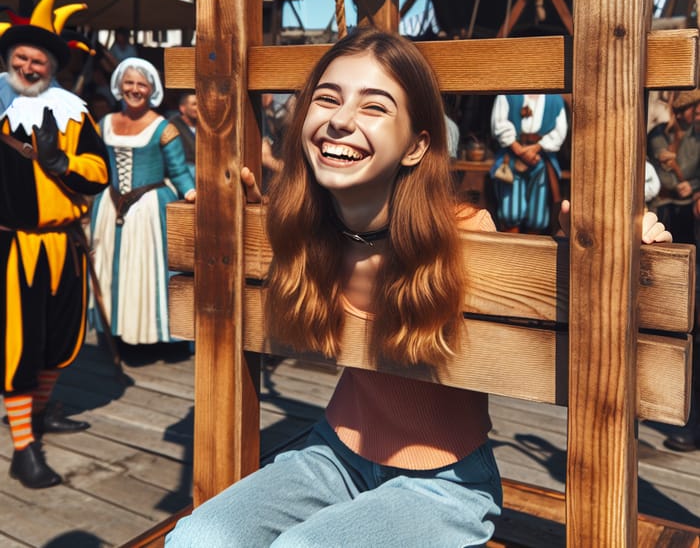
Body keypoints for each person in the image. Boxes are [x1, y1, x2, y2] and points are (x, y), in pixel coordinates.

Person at [165, 27, 672, 547]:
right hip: (334, 452)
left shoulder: (467, 235)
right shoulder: (299, 227)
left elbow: (550, 322)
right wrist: (241, 220)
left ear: (415, 146)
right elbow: (255, 248)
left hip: (445, 483)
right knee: (195, 539)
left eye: (374, 107)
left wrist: (601, 259)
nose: (340, 119)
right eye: (328, 98)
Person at [0, 0, 110, 489]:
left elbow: (99, 170)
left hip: (64, 245)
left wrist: (62, 160)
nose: (28, 67)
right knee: (19, 348)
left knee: (60, 342)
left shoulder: (72, 113)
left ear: (52, 66)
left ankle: (35, 417)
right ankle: (25, 450)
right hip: (13, 246)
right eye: (21, 58)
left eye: (38, 61)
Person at [89, 58, 195, 347]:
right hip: (109, 206)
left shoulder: (163, 127)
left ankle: (151, 335)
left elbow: (178, 171)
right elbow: (96, 166)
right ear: (119, 85)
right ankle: (116, 329)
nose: (134, 89)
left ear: (151, 90)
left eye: (141, 84)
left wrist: (190, 193)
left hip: (149, 209)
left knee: (145, 272)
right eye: (129, 83)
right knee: (112, 268)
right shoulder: (104, 124)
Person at [649, 88, 700, 452]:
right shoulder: (659, 136)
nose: (689, 116)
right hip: (669, 217)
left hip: (694, 217)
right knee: (668, 308)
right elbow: (660, 164)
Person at [489, 93, 568, 234]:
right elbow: (499, 123)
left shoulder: (555, 100)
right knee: (510, 210)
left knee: (538, 213)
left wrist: (536, 148)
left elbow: (559, 131)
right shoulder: (507, 95)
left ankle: (532, 245)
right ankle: (510, 246)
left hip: (541, 160)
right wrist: (519, 150)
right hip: (511, 158)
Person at [169, 91, 197, 181]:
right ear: (183, 108)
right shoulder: (172, 125)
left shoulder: (204, 125)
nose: (198, 108)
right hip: (185, 168)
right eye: (194, 104)